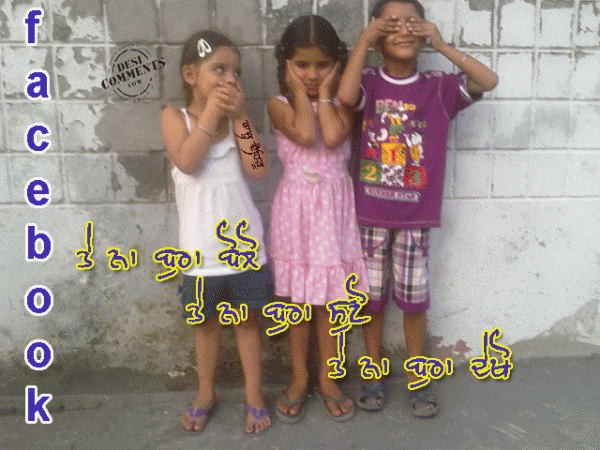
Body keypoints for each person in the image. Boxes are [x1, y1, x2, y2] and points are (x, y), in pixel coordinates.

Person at [338, 0, 498, 416]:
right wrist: (364, 41)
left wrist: (441, 45)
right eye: (391, 23)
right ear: (378, 35)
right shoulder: (368, 80)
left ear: (424, 31)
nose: (403, 29)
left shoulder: (438, 87)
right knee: (370, 301)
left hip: (415, 218)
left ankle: (418, 377)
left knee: (413, 301)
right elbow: (345, 96)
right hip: (369, 216)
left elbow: (487, 79)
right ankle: (372, 373)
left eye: (412, 22)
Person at [161, 30, 272, 435]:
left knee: (247, 323)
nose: (230, 79)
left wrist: (240, 117)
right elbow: (188, 161)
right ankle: (206, 393)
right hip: (199, 254)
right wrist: (211, 113)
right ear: (191, 75)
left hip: (244, 250)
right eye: (219, 69)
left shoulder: (236, 122)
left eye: (235, 72)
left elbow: (258, 168)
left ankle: (254, 396)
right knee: (205, 326)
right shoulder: (175, 117)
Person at [268, 15, 368, 423]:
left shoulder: (343, 104)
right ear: (286, 64)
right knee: (297, 302)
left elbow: (331, 136)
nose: (312, 74)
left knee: (329, 301)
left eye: (322, 65)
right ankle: (300, 377)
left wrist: (326, 93)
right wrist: (297, 92)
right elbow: (306, 136)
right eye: (302, 65)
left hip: (333, 209)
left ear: (337, 64)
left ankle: (327, 378)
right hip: (296, 210)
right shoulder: (279, 105)